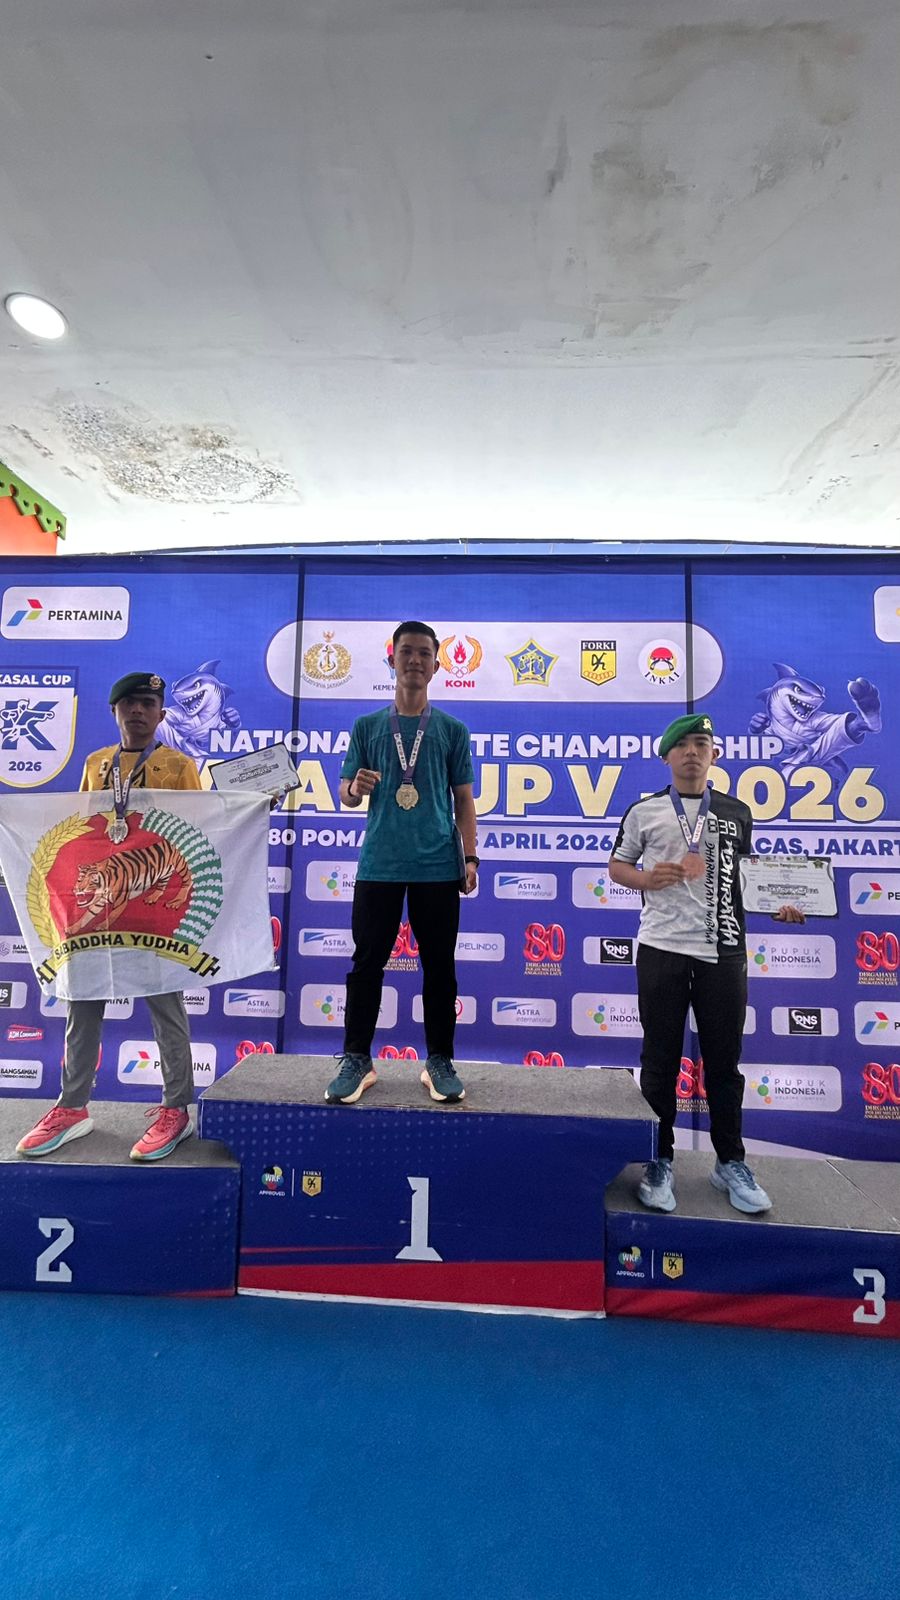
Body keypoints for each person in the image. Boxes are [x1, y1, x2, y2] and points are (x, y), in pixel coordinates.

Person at [608, 713, 804, 1215]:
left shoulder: (737, 811)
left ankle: (730, 1162)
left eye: (702, 743)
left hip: (724, 951)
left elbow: (748, 878)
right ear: (667, 756)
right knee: (659, 1062)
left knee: (724, 1064)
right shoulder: (645, 811)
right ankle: (659, 1160)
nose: (692, 752)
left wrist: (778, 903)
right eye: (683, 745)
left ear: (715, 754)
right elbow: (617, 865)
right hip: (662, 949)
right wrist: (644, 879)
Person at [17, 672, 203, 1162]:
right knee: (82, 1001)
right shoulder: (96, 763)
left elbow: (202, 827)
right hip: (98, 906)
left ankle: (176, 1108)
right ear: (114, 711)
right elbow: (82, 831)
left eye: (147, 703)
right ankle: (72, 1106)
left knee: (167, 1006)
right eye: (128, 703)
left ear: (161, 714)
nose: (137, 711)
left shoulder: (178, 765)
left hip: (150, 908)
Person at [325, 622, 478, 1105]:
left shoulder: (451, 730)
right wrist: (355, 788)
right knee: (366, 964)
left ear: (436, 665)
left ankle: (439, 1061)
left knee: (440, 967)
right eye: (406, 651)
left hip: (438, 866)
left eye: (424, 653)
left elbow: (464, 801)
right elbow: (346, 793)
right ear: (391, 660)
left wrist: (470, 857)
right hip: (380, 865)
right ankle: (357, 1058)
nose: (414, 660)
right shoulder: (367, 726)